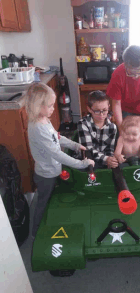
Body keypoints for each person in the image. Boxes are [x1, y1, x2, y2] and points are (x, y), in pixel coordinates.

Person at [25, 82, 95, 238]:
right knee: (43, 203)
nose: (53, 109)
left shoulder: (44, 120)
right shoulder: (37, 127)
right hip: (46, 175)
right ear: (38, 106)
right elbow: (57, 154)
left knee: (54, 199)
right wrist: (82, 164)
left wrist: (75, 145)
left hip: (53, 169)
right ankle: (36, 234)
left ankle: (51, 223)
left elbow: (57, 137)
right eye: (49, 106)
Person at [77, 90, 118, 169]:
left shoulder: (113, 127)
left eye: (105, 110)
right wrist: (106, 159)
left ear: (108, 106)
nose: (101, 114)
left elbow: (110, 149)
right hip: (86, 160)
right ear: (89, 109)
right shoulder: (83, 124)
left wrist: (110, 161)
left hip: (105, 161)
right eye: (97, 111)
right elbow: (87, 150)